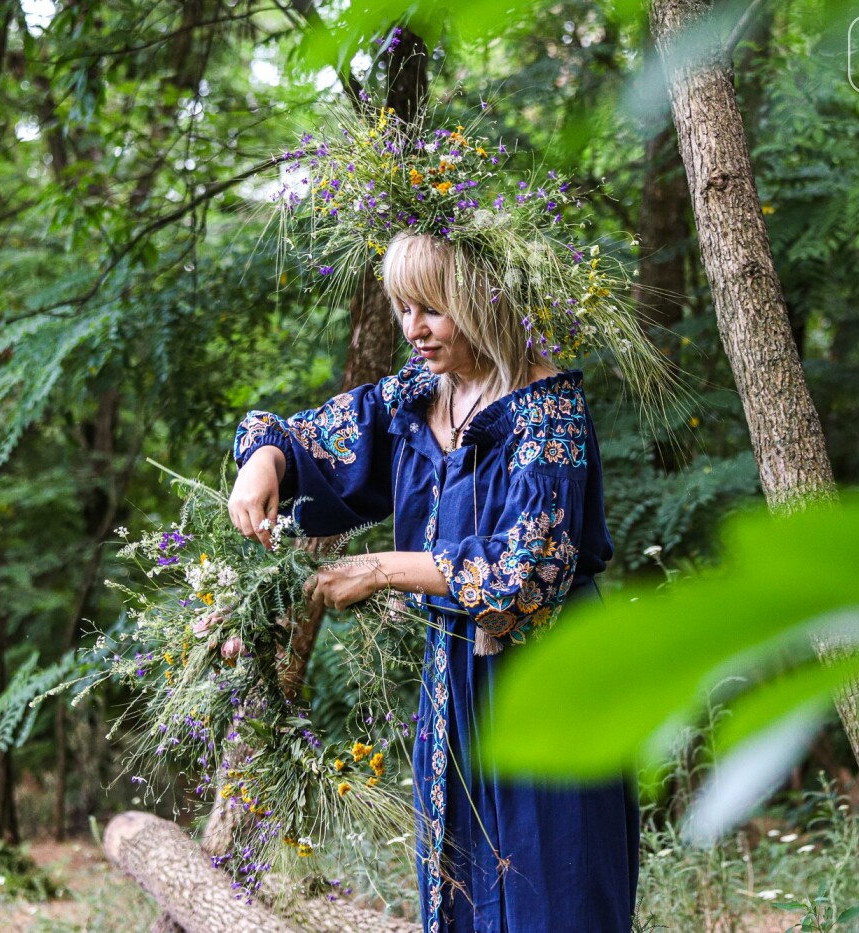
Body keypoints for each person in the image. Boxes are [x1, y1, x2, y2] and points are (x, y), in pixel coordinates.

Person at [227, 231, 640, 933]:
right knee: (463, 892)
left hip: (550, 678)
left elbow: (526, 574)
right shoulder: (418, 401)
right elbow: (302, 438)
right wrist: (263, 461)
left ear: (479, 300)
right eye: (402, 308)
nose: (412, 329)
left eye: (431, 309)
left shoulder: (548, 416)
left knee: (554, 889)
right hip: (454, 687)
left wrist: (380, 569)